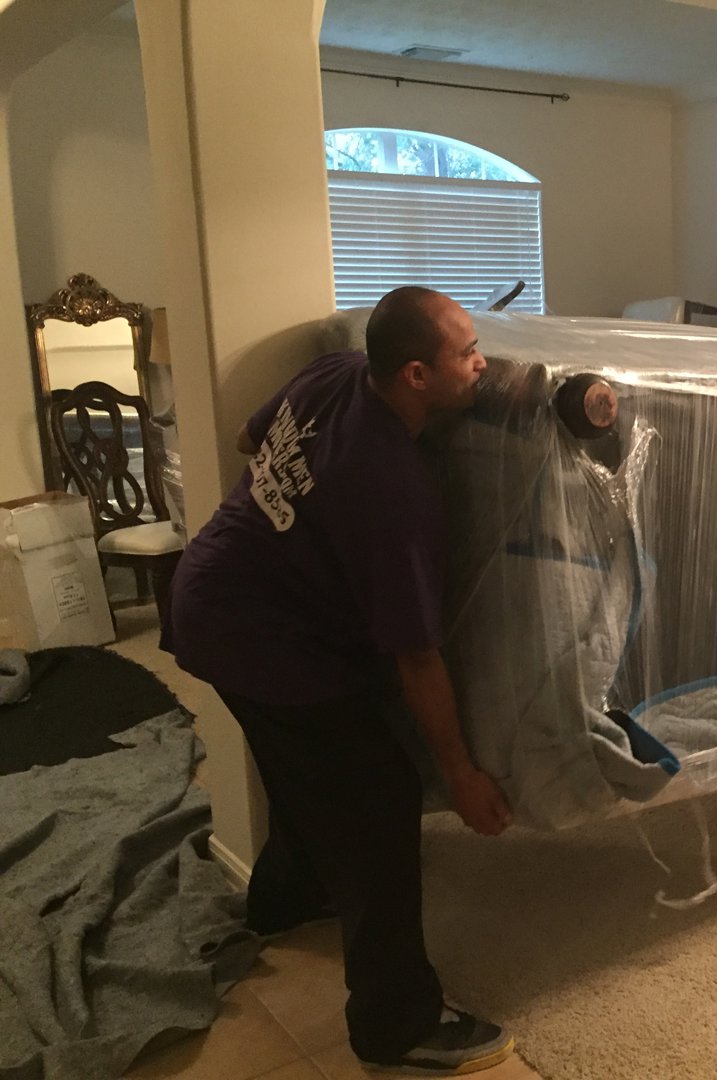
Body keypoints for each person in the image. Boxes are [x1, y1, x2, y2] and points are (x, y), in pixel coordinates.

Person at [165, 286, 515, 1075]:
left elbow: (251, 438)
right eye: (467, 353)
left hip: (209, 595)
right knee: (377, 800)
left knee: (304, 767)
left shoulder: (340, 372)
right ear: (417, 375)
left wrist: (303, 522)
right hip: (258, 637)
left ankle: (288, 899)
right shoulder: (393, 490)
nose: (482, 363)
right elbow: (417, 657)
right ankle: (397, 1025)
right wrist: (461, 774)